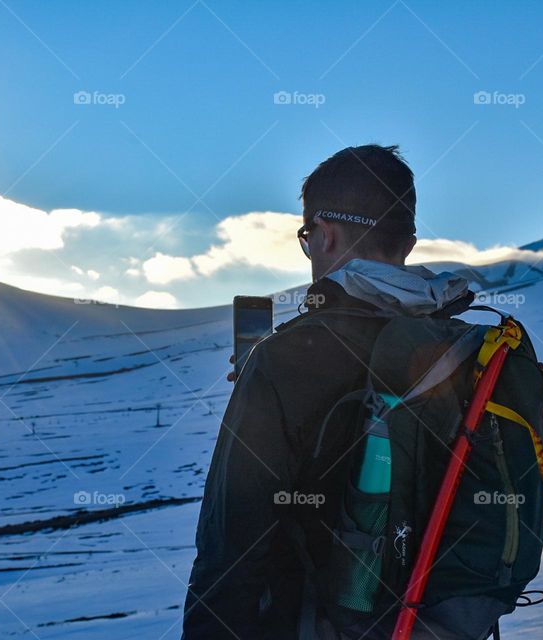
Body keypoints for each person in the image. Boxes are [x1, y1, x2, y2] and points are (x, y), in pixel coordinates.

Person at [183, 145, 483, 639]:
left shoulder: (286, 357)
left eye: (307, 238)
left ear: (324, 233)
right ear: (407, 243)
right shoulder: (466, 348)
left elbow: (230, 548)